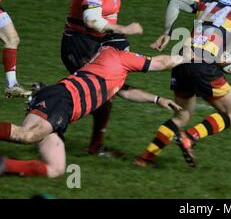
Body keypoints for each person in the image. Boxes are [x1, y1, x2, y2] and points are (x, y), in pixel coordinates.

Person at [0, 43, 184, 178]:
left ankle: (4, 165)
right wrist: (187, 57)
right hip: (63, 98)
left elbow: (126, 92)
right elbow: (160, 63)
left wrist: (158, 99)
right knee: (27, 135)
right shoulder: (117, 56)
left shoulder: (112, 68)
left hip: (64, 109)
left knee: (56, 168)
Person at [134, 0, 231, 168]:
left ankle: (145, 157)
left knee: (182, 115)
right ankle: (190, 137)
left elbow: (174, 1)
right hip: (204, 66)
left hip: (182, 62)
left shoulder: (205, 1)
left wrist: (167, 33)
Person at [61, 0, 143, 156]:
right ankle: (46, 110)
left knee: (105, 96)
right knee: (87, 92)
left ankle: (95, 146)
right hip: (79, 44)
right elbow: (91, 21)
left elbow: (105, 29)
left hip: (94, 45)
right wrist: (124, 29)